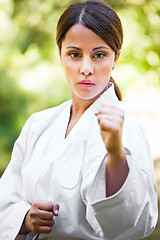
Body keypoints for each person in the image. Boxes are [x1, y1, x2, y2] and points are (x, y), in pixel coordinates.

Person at [0, 0, 158, 239]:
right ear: (60, 55)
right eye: (74, 54)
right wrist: (25, 218)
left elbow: (129, 224)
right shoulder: (38, 124)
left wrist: (116, 153)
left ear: (115, 58)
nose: (86, 68)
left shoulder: (125, 125)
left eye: (99, 55)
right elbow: (6, 198)